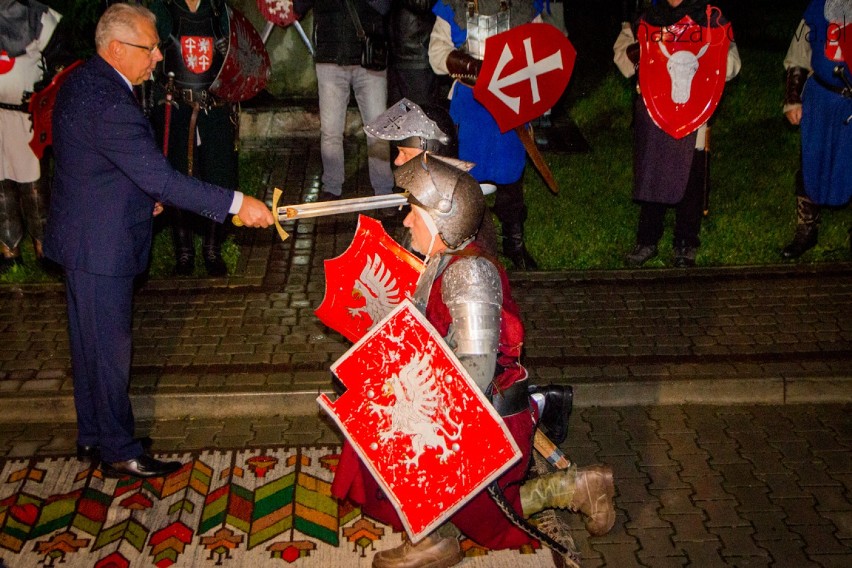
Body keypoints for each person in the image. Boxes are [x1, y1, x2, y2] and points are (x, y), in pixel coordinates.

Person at [332, 122, 615, 568]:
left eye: (414, 212)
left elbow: (475, 374)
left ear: (439, 218)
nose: (406, 220)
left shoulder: (468, 272)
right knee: (378, 422)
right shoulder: (443, 256)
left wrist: (408, 400)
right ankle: (567, 489)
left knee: (474, 508)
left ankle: (443, 533)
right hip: (468, 403)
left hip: (491, 416)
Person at [43, 3, 273, 478]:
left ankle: (95, 435)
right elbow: (166, 180)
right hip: (100, 245)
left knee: (88, 347)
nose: (157, 59)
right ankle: (120, 451)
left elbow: (92, 162)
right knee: (108, 353)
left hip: (83, 232)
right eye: (149, 50)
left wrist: (133, 195)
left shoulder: (84, 81)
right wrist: (237, 204)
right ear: (115, 49)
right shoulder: (111, 103)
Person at [365, 97, 573, 443]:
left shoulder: (458, 219)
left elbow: (476, 341)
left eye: (403, 153)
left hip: (467, 371)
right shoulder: (432, 200)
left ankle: (540, 402)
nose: (397, 160)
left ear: (427, 154)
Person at [613, 0, 740, 267]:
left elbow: (731, 63)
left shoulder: (710, 18)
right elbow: (622, 54)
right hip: (655, 108)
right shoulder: (646, 18)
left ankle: (685, 242)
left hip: (693, 112)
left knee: (692, 176)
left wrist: (712, 60)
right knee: (654, 173)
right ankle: (647, 240)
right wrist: (643, 54)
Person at [427, 0, 541, 270]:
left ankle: (514, 244)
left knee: (511, 176)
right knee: (465, 180)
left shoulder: (524, 7)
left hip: (510, 103)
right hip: (470, 104)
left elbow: (539, 52)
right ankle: (469, 244)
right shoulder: (452, 6)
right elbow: (436, 52)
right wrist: (470, 66)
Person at [148, 0, 236, 277]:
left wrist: (230, 50)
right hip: (176, 105)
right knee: (175, 174)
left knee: (218, 175)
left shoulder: (217, 7)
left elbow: (239, 49)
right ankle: (184, 252)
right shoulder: (162, 7)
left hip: (214, 105)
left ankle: (212, 248)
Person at [293, 0, 395, 203]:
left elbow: (385, 6)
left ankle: (384, 190)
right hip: (329, 59)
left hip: (369, 57)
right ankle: (331, 186)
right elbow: (298, 7)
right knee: (330, 131)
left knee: (378, 131)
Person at [780, 0, 852, 259]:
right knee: (811, 158)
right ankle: (806, 230)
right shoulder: (817, 9)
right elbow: (799, 53)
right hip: (820, 97)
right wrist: (792, 98)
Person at [0, 0, 68, 273]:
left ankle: (44, 247)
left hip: (28, 116)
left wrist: (50, 87)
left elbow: (61, 63)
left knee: (34, 185)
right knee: (1, 185)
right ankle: (8, 248)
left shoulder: (39, 18)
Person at [387, 0, 449, 108]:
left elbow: (422, 3)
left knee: (420, 117)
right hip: (398, 55)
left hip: (417, 57)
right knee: (398, 120)